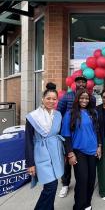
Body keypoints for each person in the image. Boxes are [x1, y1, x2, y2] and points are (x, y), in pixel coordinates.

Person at [25, 82, 64, 210]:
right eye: (48, 98)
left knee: (53, 185)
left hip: (55, 152)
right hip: (40, 153)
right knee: (50, 186)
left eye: (54, 99)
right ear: (42, 99)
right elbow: (28, 141)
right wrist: (30, 163)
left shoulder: (58, 115)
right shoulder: (33, 117)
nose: (51, 101)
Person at [57, 75, 96, 198]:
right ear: (75, 83)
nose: (81, 84)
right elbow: (59, 112)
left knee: (83, 172)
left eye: (83, 82)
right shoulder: (67, 96)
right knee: (68, 162)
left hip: (84, 136)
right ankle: (65, 184)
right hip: (70, 135)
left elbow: (92, 115)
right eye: (79, 82)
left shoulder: (91, 98)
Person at [61, 89, 101, 210]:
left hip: (93, 151)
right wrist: (70, 153)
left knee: (91, 180)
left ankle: (87, 203)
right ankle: (78, 206)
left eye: (87, 98)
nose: (84, 100)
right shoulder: (70, 114)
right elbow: (66, 135)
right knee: (82, 180)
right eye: (82, 98)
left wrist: (99, 146)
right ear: (77, 99)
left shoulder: (93, 112)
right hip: (78, 151)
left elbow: (97, 130)